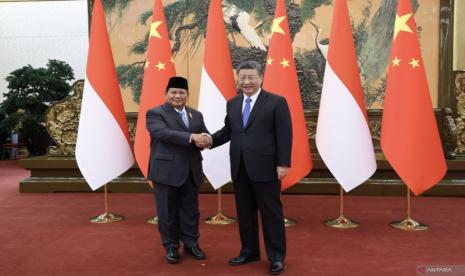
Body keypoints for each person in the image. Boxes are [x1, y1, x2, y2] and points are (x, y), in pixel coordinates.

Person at [209, 60, 292, 275]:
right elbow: (229, 131)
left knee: (270, 213)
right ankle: (249, 251)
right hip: (239, 166)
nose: (246, 81)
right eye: (242, 77)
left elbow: (284, 135)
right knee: (244, 213)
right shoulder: (233, 103)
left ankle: (276, 257)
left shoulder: (276, 102)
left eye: (251, 77)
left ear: (261, 77)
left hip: (266, 167)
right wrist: (208, 140)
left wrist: (283, 163)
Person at [146, 76, 210, 264]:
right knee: (167, 212)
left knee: (191, 211)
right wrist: (192, 137)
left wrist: (207, 138)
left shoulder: (196, 115)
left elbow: (203, 133)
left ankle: (191, 244)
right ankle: (171, 246)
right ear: (166, 94)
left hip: (191, 170)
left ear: (188, 95)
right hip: (166, 172)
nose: (177, 96)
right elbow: (162, 133)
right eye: (173, 92)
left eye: (181, 92)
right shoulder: (155, 113)